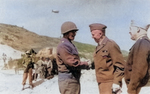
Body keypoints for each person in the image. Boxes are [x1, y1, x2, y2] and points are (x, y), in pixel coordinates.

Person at [89, 23, 125, 94]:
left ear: (100, 33)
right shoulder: (99, 47)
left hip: (110, 83)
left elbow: (120, 65)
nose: (92, 37)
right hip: (102, 82)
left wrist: (116, 82)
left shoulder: (111, 45)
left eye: (93, 34)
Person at [56, 21, 88, 94]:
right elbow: (72, 63)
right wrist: (86, 64)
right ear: (66, 32)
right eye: (72, 32)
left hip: (71, 79)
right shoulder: (64, 46)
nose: (75, 34)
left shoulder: (68, 44)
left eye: (75, 32)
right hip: (69, 80)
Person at [125, 20, 150, 94]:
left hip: (138, 87)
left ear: (138, 29)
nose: (129, 32)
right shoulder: (143, 42)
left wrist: (132, 88)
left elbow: (139, 69)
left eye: (131, 29)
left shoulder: (142, 43)